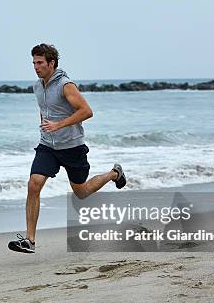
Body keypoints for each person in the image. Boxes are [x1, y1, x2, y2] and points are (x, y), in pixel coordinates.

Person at [8, 43, 127, 254]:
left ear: (51, 63)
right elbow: (45, 111)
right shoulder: (37, 86)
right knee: (34, 184)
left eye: (40, 63)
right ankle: (30, 240)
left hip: (72, 147)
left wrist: (58, 125)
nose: (36, 67)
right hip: (47, 146)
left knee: (82, 192)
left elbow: (87, 111)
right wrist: (46, 127)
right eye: (33, 63)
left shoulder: (65, 85)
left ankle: (114, 173)